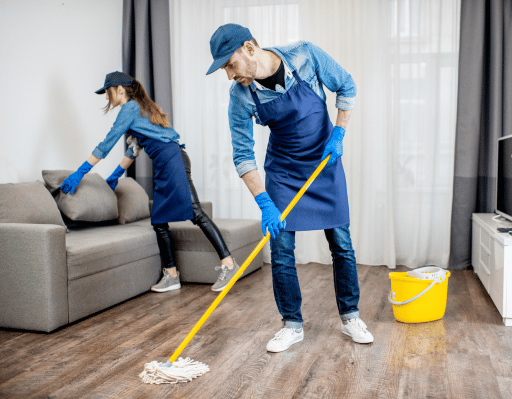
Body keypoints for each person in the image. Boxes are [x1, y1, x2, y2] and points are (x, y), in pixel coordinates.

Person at [207, 24, 374, 352]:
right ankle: (292, 324)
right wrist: (265, 202)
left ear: (249, 48)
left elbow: (347, 85)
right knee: (281, 248)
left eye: (230, 65)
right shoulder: (241, 95)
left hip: (324, 163)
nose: (229, 75)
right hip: (283, 172)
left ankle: (350, 316)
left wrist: (338, 133)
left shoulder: (305, 56)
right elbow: (243, 155)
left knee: (341, 242)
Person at [60, 71, 240, 293]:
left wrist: (80, 172)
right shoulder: (140, 109)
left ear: (118, 89)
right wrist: (116, 174)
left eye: (107, 93)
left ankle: (229, 264)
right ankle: (171, 275)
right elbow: (133, 149)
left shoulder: (130, 108)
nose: (106, 98)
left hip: (172, 161)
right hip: (168, 162)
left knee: (195, 212)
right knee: (159, 221)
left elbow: (107, 144)